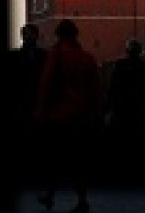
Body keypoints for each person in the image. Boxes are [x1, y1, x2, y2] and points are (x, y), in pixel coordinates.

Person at [34, 19, 102, 213]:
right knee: (77, 159)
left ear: (59, 35)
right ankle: (80, 199)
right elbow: (96, 90)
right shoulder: (87, 58)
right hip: (81, 115)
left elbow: (46, 84)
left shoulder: (56, 55)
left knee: (58, 157)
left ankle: (51, 195)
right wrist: (96, 113)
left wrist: (41, 111)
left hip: (60, 114)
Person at [105, 39, 145, 137]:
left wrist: (108, 109)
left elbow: (112, 89)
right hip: (140, 113)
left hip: (122, 113)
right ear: (140, 51)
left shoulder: (119, 66)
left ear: (127, 51)